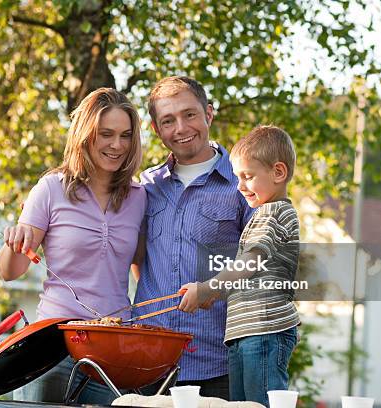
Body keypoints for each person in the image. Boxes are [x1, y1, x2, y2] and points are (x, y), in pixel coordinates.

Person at [0, 88, 146, 404]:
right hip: (52, 348)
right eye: (106, 134)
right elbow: (11, 271)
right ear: (85, 135)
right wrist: (14, 240)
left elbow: (142, 270)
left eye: (125, 135)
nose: (117, 145)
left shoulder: (139, 197)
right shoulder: (52, 189)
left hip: (113, 350)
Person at [132, 76, 254, 400]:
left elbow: (262, 261)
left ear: (209, 114)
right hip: (147, 364)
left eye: (189, 114)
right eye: (168, 121)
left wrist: (214, 287)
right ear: (157, 130)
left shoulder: (244, 186)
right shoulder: (147, 186)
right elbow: (139, 259)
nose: (181, 127)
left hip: (216, 366)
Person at [179, 125, 300, 406]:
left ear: (278, 173)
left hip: (264, 330)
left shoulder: (274, 213)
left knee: (260, 403)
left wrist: (208, 289)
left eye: (248, 177)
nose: (240, 186)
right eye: (237, 178)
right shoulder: (262, 215)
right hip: (244, 331)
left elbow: (248, 263)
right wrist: (219, 293)